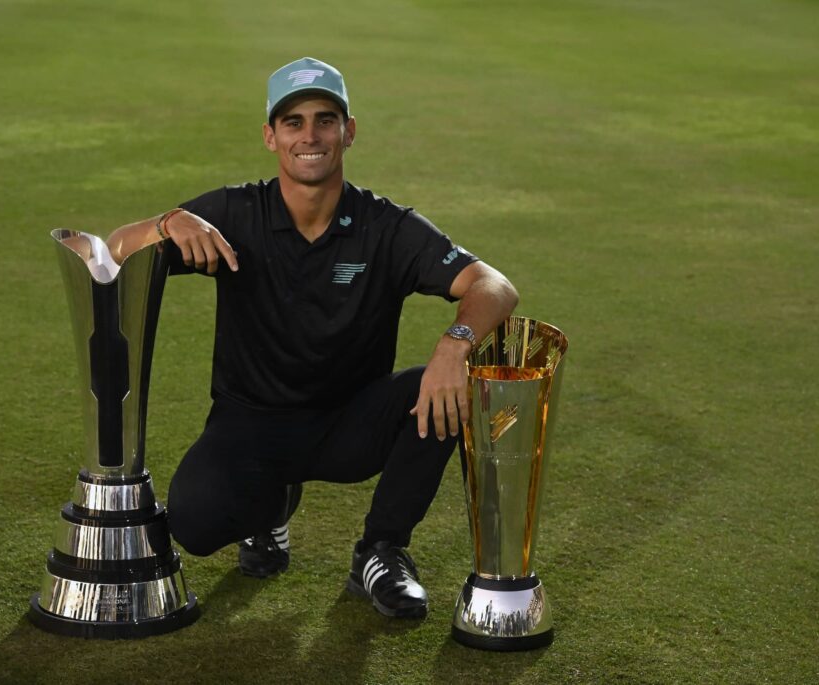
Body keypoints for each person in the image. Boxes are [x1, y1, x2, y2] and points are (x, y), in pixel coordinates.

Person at [106, 57, 518, 619]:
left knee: (445, 386)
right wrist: (164, 223)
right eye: (294, 122)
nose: (310, 136)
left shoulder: (385, 226)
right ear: (270, 136)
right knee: (195, 525)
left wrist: (455, 344)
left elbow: (494, 285)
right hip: (250, 421)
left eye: (325, 120)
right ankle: (267, 511)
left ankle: (382, 550)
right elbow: (112, 254)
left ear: (348, 132)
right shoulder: (234, 212)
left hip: (348, 423)